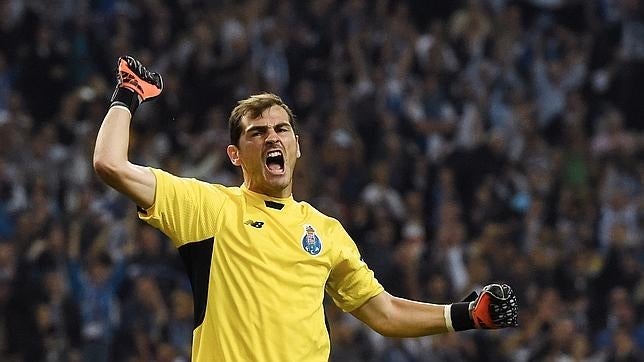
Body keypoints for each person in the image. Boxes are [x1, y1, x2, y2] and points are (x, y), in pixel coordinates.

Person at [93, 56, 519, 361]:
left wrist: (466, 315)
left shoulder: (326, 231)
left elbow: (384, 312)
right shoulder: (210, 210)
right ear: (235, 155)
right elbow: (110, 164)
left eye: (281, 129)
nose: (272, 138)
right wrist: (128, 95)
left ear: (297, 146)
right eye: (257, 133)